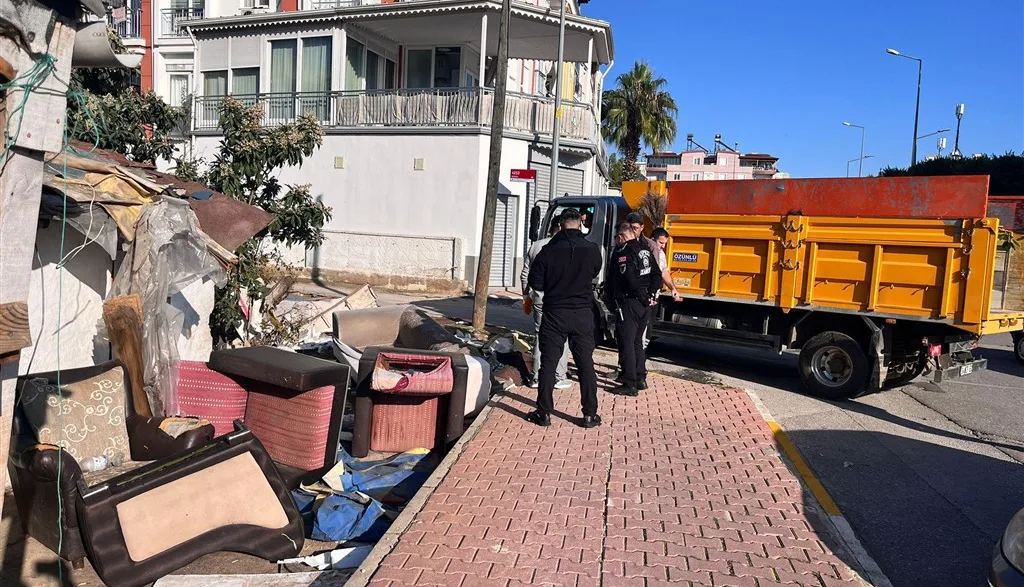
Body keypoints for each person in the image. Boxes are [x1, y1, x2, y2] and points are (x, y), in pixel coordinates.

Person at [526, 208, 604, 428]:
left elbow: (535, 282)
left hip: (555, 313)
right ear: (580, 225)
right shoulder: (592, 249)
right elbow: (595, 273)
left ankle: (543, 413)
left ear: (560, 226)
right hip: (582, 313)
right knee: (585, 364)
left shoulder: (548, 251)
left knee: (548, 364)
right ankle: (590, 414)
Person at [605, 222, 661, 397]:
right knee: (637, 341)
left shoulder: (624, 252)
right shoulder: (645, 250)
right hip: (644, 304)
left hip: (630, 302)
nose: (616, 241)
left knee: (626, 342)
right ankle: (640, 376)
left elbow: (628, 278)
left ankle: (629, 383)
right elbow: (657, 274)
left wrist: (641, 295)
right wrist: (650, 293)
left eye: (617, 238)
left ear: (622, 237)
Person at [520, 222, 572, 390]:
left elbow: (525, 274)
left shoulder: (536, 246)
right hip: (561, 300)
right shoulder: (566, 247)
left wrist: (526, 296)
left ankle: (536, 376)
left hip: (539, 298)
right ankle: (559, 376)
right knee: (562, 337)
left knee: (540, 335)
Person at [650, 227, 680, 301]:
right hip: (643, 296)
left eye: (665, 243)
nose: (663, 246)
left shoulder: (661, 254)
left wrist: (673, 288)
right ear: (652, 240)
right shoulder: (643, 252)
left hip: (655, 296)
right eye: (661, 243)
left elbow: (664, 273)